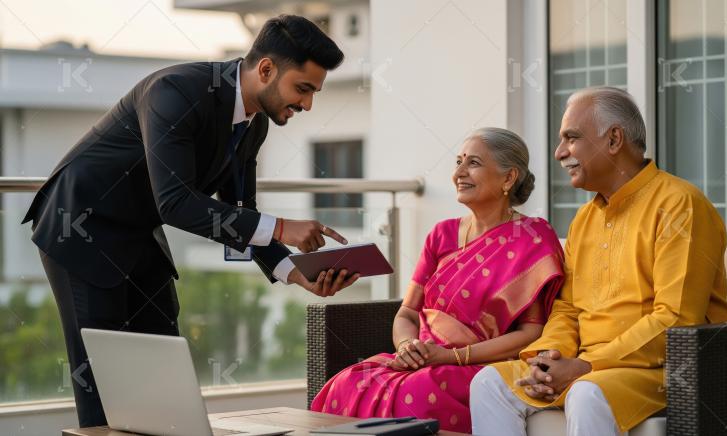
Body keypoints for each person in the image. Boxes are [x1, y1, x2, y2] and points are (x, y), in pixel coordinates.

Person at [21, 15, 360, 428]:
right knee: (103, 382)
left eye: (314, 93)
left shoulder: (253, 128)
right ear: (267, 69)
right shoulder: (176, 91)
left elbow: (240, 209)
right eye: (302, 89)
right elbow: (177, 202)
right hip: (80, 226)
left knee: (166, 374)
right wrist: (282, 227)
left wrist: (293, 271)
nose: (307, 104)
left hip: (140, 234)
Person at [470, 87, 727, 436]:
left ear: (613, 140)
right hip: (586, 365)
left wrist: (586, 365)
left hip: (662, 369)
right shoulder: (584, 219)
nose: (559, 152)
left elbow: (676, 320)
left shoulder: (679, 206)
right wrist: (549, 358)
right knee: (489, 383)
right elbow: (567, 309)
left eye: (571, 138)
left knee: (586, 393)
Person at [310, 127, 565, 433]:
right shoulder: (441, 234)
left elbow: (530, 333)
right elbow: (407, 313)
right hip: (423, 358)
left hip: (481, 365)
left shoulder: (533, 237)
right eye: (458, 161)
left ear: (508, 178)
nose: (459, 172)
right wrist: (407, 347)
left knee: (416, 395)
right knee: (347, 383)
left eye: (473, 163)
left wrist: (451, 356)